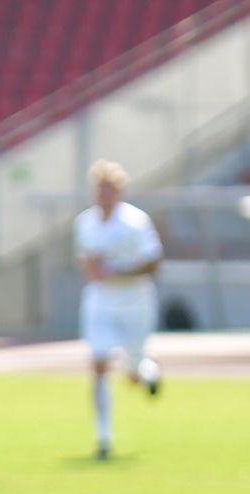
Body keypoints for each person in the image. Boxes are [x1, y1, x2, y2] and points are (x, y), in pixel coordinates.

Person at [74, 159, 163, 461]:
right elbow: (87, 260)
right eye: (99, 188)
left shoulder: (135, 222)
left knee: (132, 371)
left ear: (119, 191)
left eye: (109, 188)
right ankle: (103, 437)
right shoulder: (85, 222)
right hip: (101, 301)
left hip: (135, 300)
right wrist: (93, 269)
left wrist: (117, 271)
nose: (103, 194)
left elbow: (153, 263)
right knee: (98, 363)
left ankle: (147, 370)